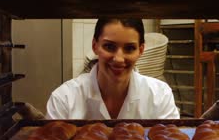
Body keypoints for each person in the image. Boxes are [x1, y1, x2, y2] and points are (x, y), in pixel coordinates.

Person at [45, 18, 180, 120]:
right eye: (109, 47)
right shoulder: (64, 99)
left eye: (129, 48)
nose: (119, 59)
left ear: (141, 50)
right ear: (95, 46)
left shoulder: (160, 96)